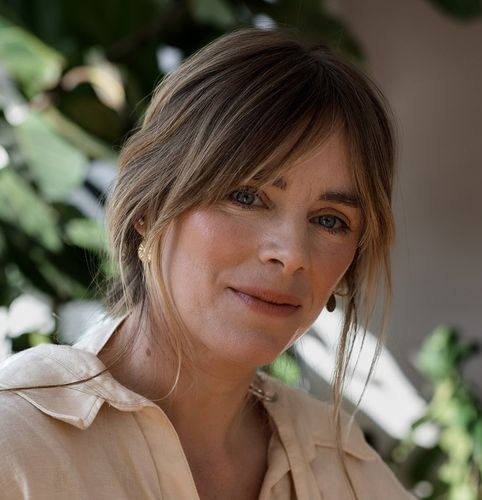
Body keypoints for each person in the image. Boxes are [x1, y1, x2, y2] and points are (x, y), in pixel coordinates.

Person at [0, 28, 414, 499]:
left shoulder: (344, 467)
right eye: (246, 196)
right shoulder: (18, 448)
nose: (293, 254)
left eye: (329, 220)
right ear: (148, 207)